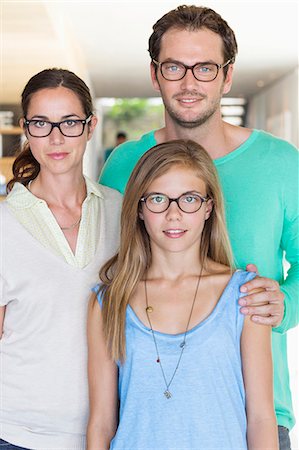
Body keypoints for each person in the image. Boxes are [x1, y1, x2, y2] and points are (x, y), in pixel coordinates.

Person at [99, 6, 299, 449]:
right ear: (155, 74)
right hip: (143, 413)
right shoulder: (123, 166)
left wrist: (285, 305)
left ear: (227, 77)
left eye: (205, 67)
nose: (189, 83)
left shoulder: (281, 163)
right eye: (174, 67)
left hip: (256, 414)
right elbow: (103, 271)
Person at [88, 140, 278, 449]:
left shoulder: (244, 295)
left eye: (188, 199)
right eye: (158, 199)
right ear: (139, 208)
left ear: (208, 207)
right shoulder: (109, 301)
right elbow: (101, 422)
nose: (173, 214)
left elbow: (260, 418)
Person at [0, 68, 122, 449]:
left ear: (90, 127)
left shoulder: (122, 211)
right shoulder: (3, 223)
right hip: (16, 433)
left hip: (109, 431)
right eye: (41, 123)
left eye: (69, 122)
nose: (55, 137)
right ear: (25, 128)